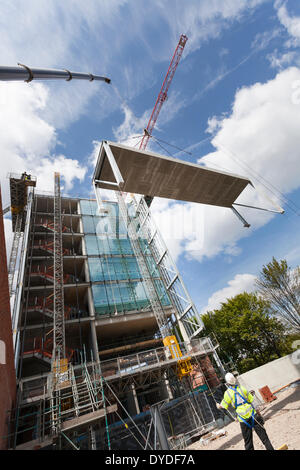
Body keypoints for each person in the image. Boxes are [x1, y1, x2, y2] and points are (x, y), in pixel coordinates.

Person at [216, 372, 274, 450]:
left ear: (227, 383)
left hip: (244, 420)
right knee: (265, 439)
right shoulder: (242, 388)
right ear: (234, 380)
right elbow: (253, 402)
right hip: (254, 416)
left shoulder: (228, 393)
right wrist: (259, 415)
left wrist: (217, 405)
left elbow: (222, 406)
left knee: (248, 443)